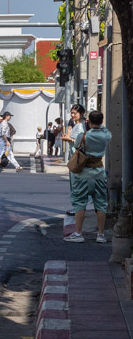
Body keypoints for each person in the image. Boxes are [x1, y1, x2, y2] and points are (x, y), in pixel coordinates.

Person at [65, 110, 111, 243]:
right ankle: (101, 234)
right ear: (101, 122)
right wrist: (99, 125)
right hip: (99, 173)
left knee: (80, 203)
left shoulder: (83, 136)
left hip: (83, 174)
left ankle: (78, 233)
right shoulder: (106, 136)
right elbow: (105, 130)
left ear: (88, 121)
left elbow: (76, 145)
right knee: (101, 204)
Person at [60, 104, 87, 216]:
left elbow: (80, 142)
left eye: (74, 113)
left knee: (77, 185)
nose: (72, 115)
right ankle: (78, 208)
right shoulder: (77, 125)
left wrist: (69, 139)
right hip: (74, 158)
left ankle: (78, 209)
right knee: (75, 184)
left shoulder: (80, 126)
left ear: (81, 114)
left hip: (77, 159)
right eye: (71, 113)